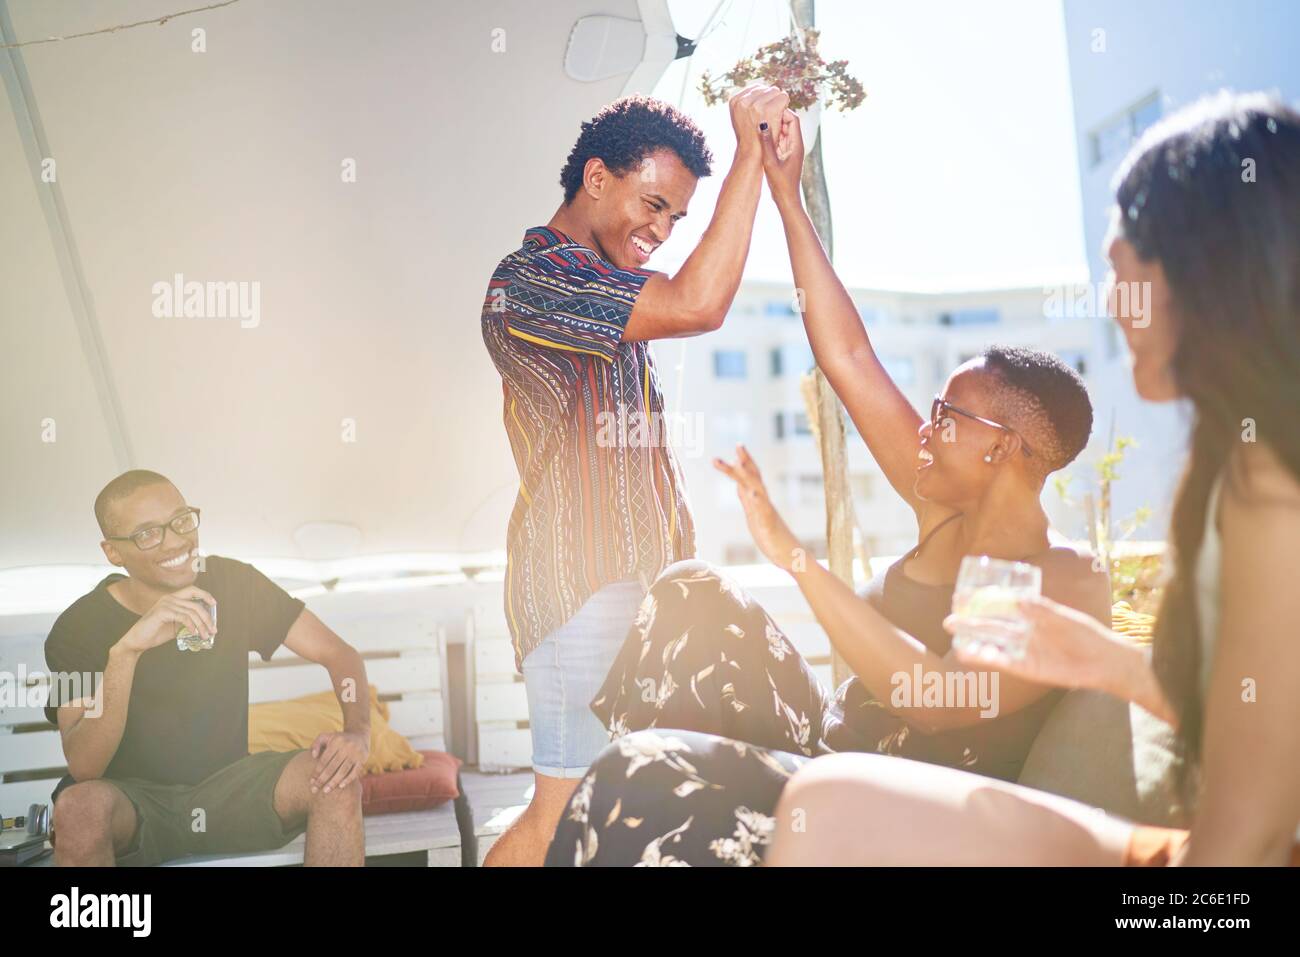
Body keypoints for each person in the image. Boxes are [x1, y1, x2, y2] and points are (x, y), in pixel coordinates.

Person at [544, 104, 1110, 866]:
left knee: (638, 781)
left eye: (948, 414)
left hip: (896, 807)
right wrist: (785, 192)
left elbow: (937, 700)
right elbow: (846, 354)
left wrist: (797, 559)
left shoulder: (1061, 577)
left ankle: (662, 804)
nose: (927, 425)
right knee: (688, 593)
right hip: (828, 750)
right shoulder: (939, 505)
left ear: (1002, 449)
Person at [765, 91, 1300, 867]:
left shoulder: (1266, 490)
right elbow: (847, 357)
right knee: (821, 792)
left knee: (808, 796)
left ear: (1211, 272)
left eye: (1128, 279)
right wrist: (1105, 660)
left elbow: (1254, 813)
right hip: (1183, 846)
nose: (1113, 305)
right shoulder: (1232, 467)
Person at [479, 87, 791, 865]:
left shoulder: (602, 286)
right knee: (560, 820)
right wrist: (751, 157)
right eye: (653, 204)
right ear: (596, 178)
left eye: (676, 218)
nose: (659, 230)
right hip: (579, 595)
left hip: (638, 596)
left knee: (619, 817)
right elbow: (699, 302)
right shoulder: (535, 280)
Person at [45, 470, 369, 866]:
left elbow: (340, 654)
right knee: (78, 808)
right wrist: (126, 652)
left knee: (335, 779)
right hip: (132, 802)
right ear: (113, 552)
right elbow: (84, 765)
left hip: (230, 791)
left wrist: (357, 732)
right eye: (148, 534)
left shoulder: (234, 583)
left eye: (181, 520)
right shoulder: (75, 628)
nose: (176, 541)